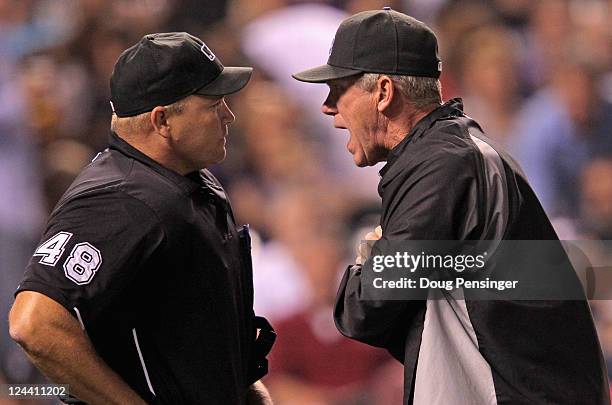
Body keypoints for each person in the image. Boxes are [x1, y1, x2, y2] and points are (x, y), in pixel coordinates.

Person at [292, 8, 610, 405]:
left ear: (384, 92)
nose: (327, 107)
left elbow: (365, 310)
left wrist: (368, 260)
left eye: (338, 90)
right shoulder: (460, 152)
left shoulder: (442, 165)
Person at [9, 32, 274, 405]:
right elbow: (34, 325)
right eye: (214, 104)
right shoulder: (121, 198)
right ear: (162, 120)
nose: (229, 116)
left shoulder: (192, 180)